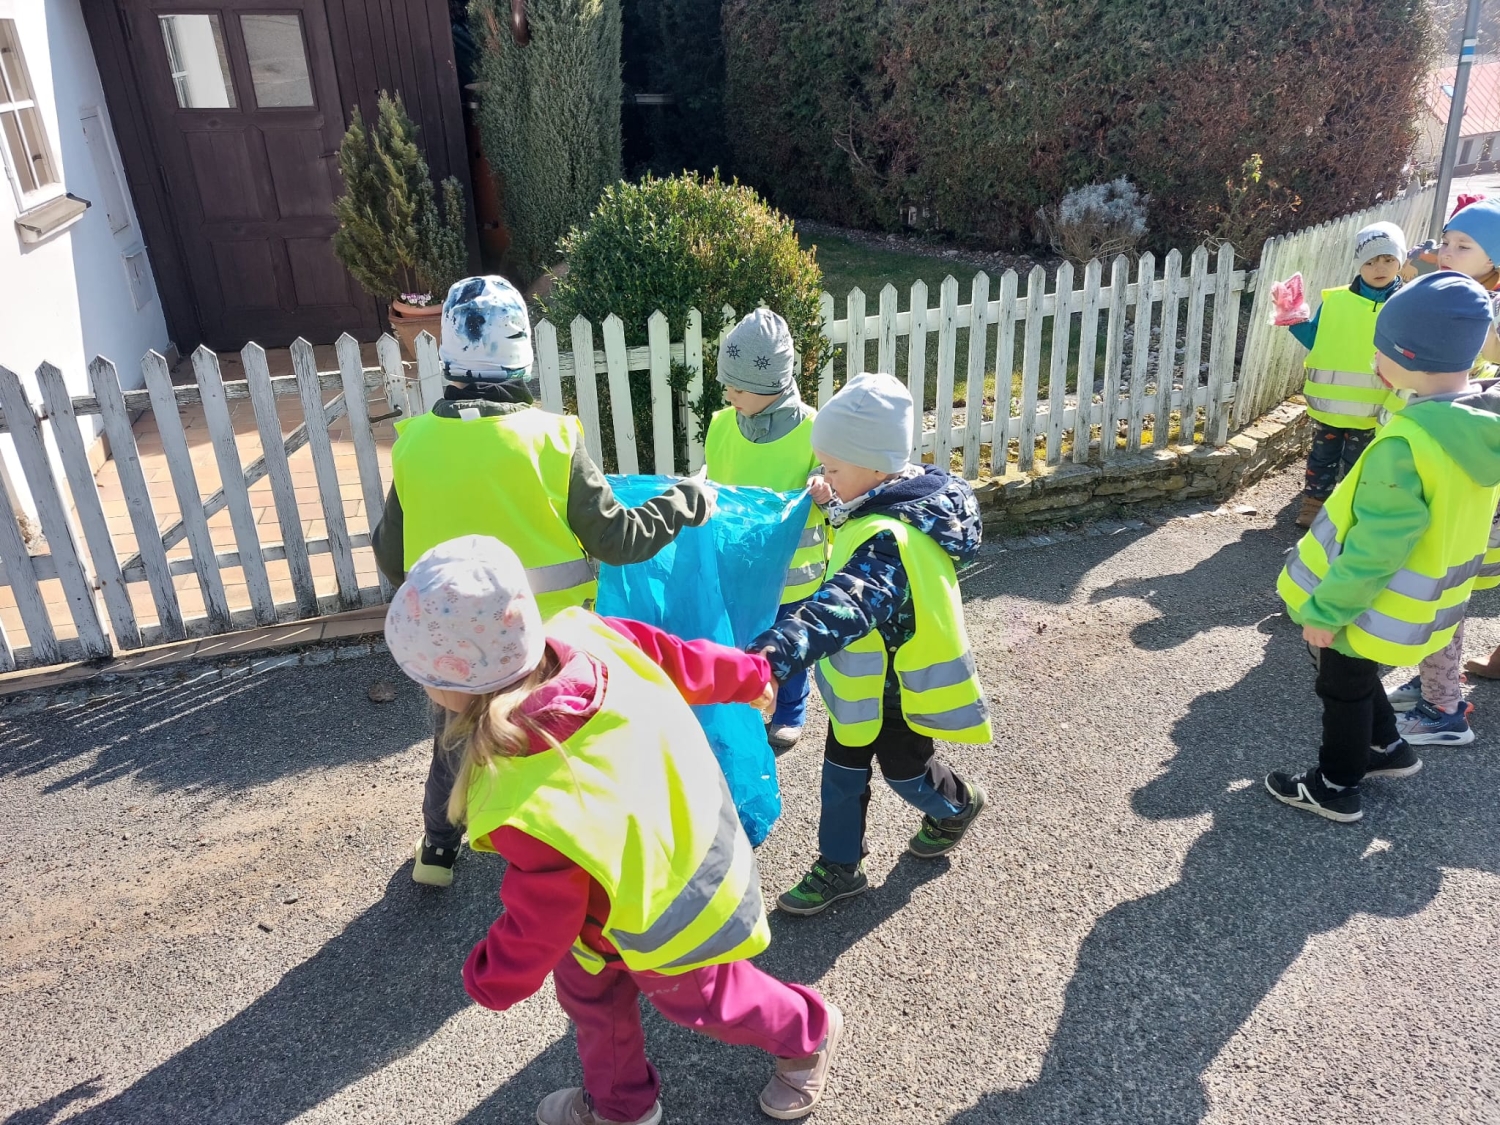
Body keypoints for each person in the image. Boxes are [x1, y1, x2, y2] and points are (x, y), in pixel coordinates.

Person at [383, 535, 844, 1125]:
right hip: (625, 892)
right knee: (592, 1001)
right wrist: (751, 675)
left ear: (453, 682)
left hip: (667, 897)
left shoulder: (521, 792)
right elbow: (680, 659)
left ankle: (807, 1030)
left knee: (704, 997)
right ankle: (623, 1106)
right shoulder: (588, 633)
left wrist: (492, 978)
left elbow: (543, 919)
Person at [371, 275, 715, 888]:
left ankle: (438, 851)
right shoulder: (552, 438)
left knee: (454, 741)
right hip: (549, 641)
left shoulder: (414, 443)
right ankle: (559, 854)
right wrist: (684, 501)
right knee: (557, 741)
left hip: (453, 646)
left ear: (446, 357)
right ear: (524, 358)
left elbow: (392, 556)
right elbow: (617, 539)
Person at [750, 372, 991, 915]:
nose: (825, 476)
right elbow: (857, 513)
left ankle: (956, 805)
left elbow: (847, 604)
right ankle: (840, 866)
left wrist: (773, 653)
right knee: (841, 775)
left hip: (898, 690)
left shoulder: (890, 540)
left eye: (833, 469)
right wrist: (830, 497)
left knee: (907, 772)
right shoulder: (884, 501)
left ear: (877, 467)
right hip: (862, 685)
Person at [1270, 272, 1500, 822]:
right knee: (1357, 678)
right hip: (1419, 602)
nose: (1373, 358)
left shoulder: (1407, 444)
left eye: (1382, 349)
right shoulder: (1473, 429)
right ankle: (1386, 747)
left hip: (1365, 600)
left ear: (1410, 358)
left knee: (1341, 686)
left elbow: (1375, 547)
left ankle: (1335, 785)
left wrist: (1327, 611)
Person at [1385, 199, 1500, 741]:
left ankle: (1442, 710)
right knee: (1451, 591)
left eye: (1464, 246)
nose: (1448, 253)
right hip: (1472, 469)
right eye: (1447, 241)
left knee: (1444, 589)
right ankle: (1439, 682)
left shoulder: (1483, 314)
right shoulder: (1467, 301)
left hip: (1472, 483)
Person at [703, 308, 831, 749]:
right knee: (744, 641)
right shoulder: (722, 426)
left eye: (738, 388)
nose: (729, 394)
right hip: (738, 568)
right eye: (727, 385)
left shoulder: (814, 430)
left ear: (772, 386)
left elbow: (834, 482)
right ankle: (746, 707)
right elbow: (714, 479)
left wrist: (824, 487)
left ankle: (790, 710)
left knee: (789, 646)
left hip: (793, 577)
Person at [1284, 221, 1406, 529]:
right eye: (1370, 261)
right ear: (1359, 264)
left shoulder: (1408, 304)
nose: (1379, 268)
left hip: (1375, 408)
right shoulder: (1336, 301)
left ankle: (1349, 509)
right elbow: (1317, 339)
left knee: (1359, 463)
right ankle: (1313, 505)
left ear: (1401, 261)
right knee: (1322, 457)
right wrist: (1293, 320)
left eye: (1388, 259)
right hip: (1331, 407)